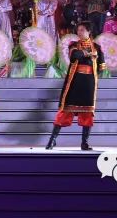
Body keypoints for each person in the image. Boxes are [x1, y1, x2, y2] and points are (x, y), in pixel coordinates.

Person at [45, 21, 106, 150]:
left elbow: (101, 66)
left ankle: (84, 143)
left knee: (88, 112)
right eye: (78, 30)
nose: (79, 32)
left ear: (89, 31)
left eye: (82, 30)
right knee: (65, 110)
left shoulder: (97, 47)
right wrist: (88, 54)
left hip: (88, 82)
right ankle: (52, 140)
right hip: (75, 81)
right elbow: (74, 56)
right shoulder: (74, 45)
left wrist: (93, 75)